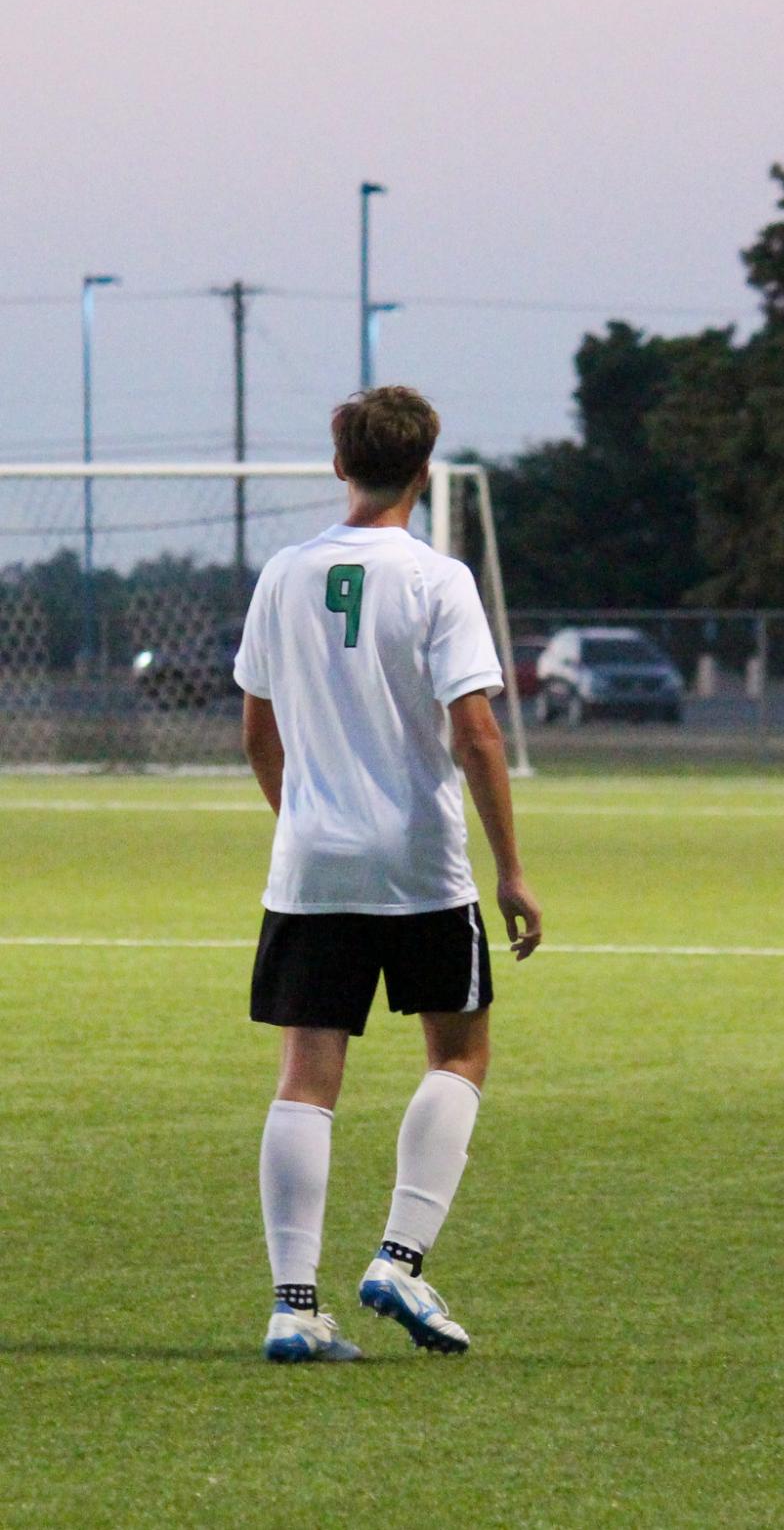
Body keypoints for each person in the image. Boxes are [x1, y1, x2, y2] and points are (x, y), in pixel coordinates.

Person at [236, 386, 543, 1363]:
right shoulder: (438, 579)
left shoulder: (284, 574)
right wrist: (512, 871)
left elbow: (257, 726)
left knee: (306, 1079)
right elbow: (479, 732)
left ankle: (293, 1304)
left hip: (312, 868)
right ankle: (399, 1260)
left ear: (339, 465)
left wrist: (305, 824)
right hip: (418, 866)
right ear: (423, 470)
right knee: (458, 1054)